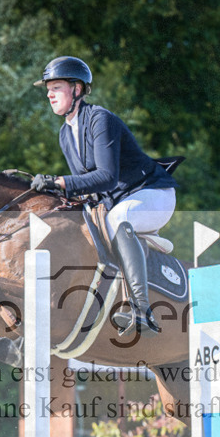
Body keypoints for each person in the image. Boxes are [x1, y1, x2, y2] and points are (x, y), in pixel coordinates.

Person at [31, 56, 177, 338]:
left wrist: (59, 181)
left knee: (119, 218)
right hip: (119, 200)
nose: (49, 94)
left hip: (152, 194)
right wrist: (56, 191)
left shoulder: (100, 119)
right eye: (48, 89)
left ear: (77, 89)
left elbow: (107, 177)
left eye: (56, 87)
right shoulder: (65, 133)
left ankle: (141, 309)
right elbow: (88, 186)